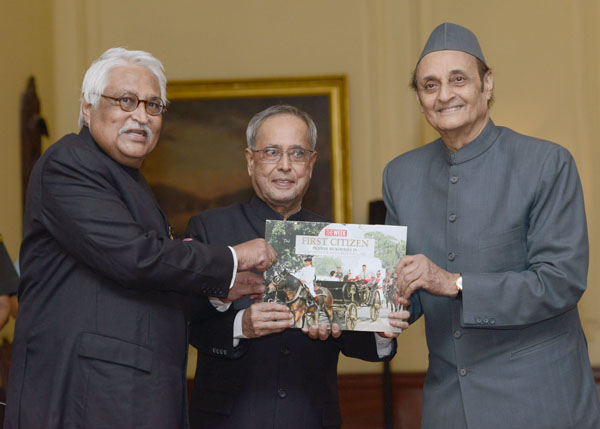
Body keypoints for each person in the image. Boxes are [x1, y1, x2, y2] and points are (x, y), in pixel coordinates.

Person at [5, 48, 275, 429]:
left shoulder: (124, 178)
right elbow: (135, 258)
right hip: (87, 398)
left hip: (122, 395)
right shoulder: (71, 164)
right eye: (126, 101)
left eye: (153, 105)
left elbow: (141, 275)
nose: (141, 116)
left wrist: (217, 288)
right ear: (87, 107)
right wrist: (233, 258)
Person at [383, 22, 600, 428]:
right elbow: (404, 287)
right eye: (429, 85)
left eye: (458, 79)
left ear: (487, 85)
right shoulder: (400, 175)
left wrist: (455, 283)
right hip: (448, 405)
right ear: (419, 100)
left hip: (540, 402)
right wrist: (374, 318)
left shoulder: (546, 164)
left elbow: (561, 281)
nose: (444, 94)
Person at [186, 105, 409, 429]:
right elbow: (186, 323)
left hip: (311, 418)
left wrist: (381, 330)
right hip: (228, 419)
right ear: (251, 160)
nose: (285, 166)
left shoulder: (340, 240)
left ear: (312, 163)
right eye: (272, 152)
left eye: (297, 154)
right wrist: (241, 325)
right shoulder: (210, 229)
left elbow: (358, 343)